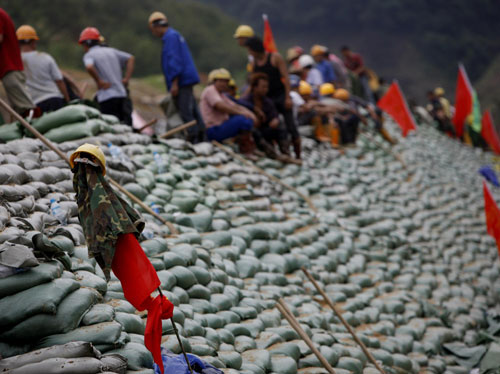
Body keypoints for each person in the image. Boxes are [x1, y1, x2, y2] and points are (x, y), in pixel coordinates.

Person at [149, 12, 205, 143]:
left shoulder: (170, 37)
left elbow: (175, 61)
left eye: (153, 30)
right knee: (194, 112)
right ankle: (203, 138)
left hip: (181, 82)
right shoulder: (175, 35)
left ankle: (195, 140)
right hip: (185, 80)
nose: (154, 33)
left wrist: (174, 83)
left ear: (156, 27)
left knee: (186, 112)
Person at [246, 36, 301, 159]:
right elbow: (253, 83)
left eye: (250, 50)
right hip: (267, 98)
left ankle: (297, 155)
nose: (249, 53)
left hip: (280, 95)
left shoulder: (275, 58)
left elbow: (285, 78)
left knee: (290, 126)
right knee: (268, 124)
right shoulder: (254, 63)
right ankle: (273, 152)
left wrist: (288, 97)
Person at [79, 27, 134, 125]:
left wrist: (99, 81)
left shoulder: (89, 55)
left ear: (86, 43)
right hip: (122, 94)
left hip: (107, 96)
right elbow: (130, 58)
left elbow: (89, 67)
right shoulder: (111, 51)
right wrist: (126, 79)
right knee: (125, 125)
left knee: (111, 126)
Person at [200, 68, 257, 158]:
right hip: (213, 130)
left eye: (226, 81)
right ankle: (246, 150)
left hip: (220, 127)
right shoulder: (210, 90)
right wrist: (243, 114)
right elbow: (220, 106)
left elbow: (235, 106)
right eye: (221, 81)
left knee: (247, 119)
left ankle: (249, 148)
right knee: (243, 120)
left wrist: (250, 113)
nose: (224, 84)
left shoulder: (221, 95)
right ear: (214, 81)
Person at [240, 72, 295, 161]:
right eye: (263, 87)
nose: (266, 89)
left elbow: (275, 115)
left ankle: (286, 153)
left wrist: (275, 120)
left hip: (265, 130)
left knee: (281, 127)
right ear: (254, 87)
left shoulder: (268, 102)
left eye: (267, 87)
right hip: (252, 134)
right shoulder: (246, 101)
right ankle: (272, 154)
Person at [16, 25, 69, 113]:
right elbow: (59, 81)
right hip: (54, 99)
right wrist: (67, 100)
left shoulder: (16, 62)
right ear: (33, 42)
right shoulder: (46, 57)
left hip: (35, 105)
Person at [0, 8, 36, 118]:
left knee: (25, 107)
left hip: (9, 68)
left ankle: (36, 129)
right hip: (6, 69)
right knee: (16, 111)